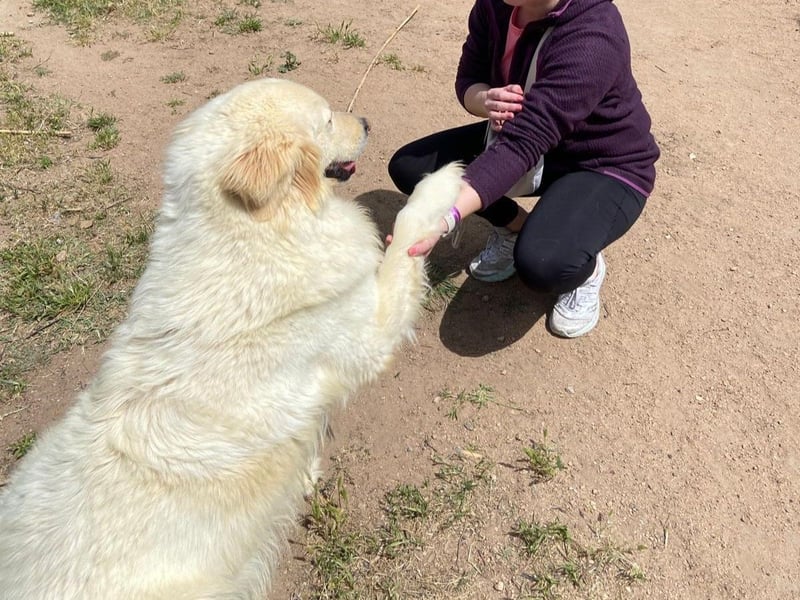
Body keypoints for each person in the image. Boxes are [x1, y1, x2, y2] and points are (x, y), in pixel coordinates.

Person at [387, 0, 660, 338]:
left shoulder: (594, 33)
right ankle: (516, 225)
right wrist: (485, 99)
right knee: (413, 168)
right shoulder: (496, 5)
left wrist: (443, 220)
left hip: (600, 163)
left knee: (543, 264)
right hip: (530, 141)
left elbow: (522, 145)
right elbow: (468, 79)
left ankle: (585, 269)